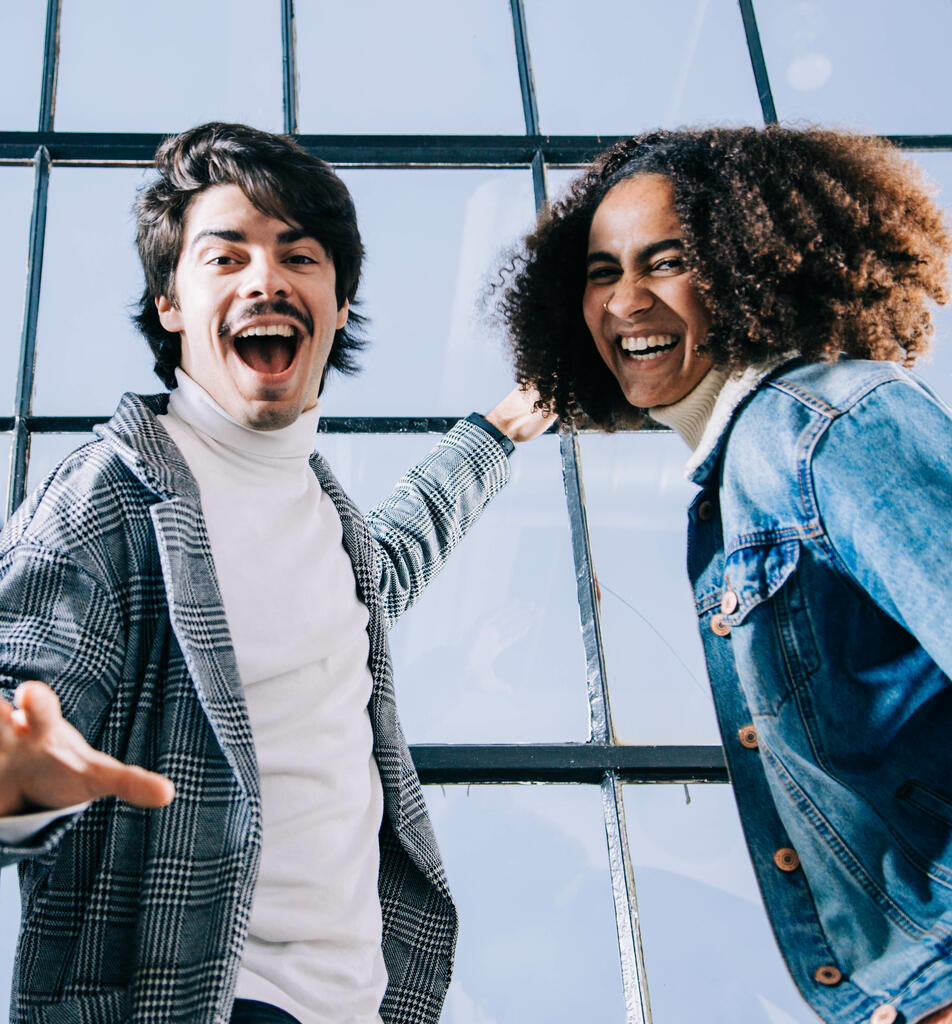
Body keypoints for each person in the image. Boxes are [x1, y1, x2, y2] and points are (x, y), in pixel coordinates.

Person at [0, 122, 549, 1024]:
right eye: (225, 258)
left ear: (336, 304)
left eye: (299, 254)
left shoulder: (329, 523)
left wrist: (500, 432)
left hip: (365, 1001)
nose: (266, 278)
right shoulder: (112, 492)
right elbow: (25, 682)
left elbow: (405, 540)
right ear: (170, 304)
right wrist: (15, 783)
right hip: (207, 996)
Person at [496, 126, 952, 1024]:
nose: (626, 298)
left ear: (754, 265)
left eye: (665, 261)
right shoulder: (735, 475)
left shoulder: (821, 421)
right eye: (601, 271)